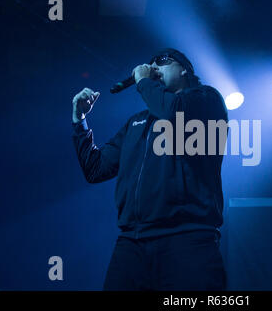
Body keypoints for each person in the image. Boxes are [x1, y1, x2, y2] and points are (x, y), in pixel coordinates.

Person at [71, 48, 228, 290]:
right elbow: (95, 168)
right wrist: (80, 121)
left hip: (187, 240)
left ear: (185, 69)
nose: (154, 66)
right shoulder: (137, 122)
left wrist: (143, 80)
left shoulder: (205, 100)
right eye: (151, 63)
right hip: (133, 243)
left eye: (163, 62)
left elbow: (174, 112)